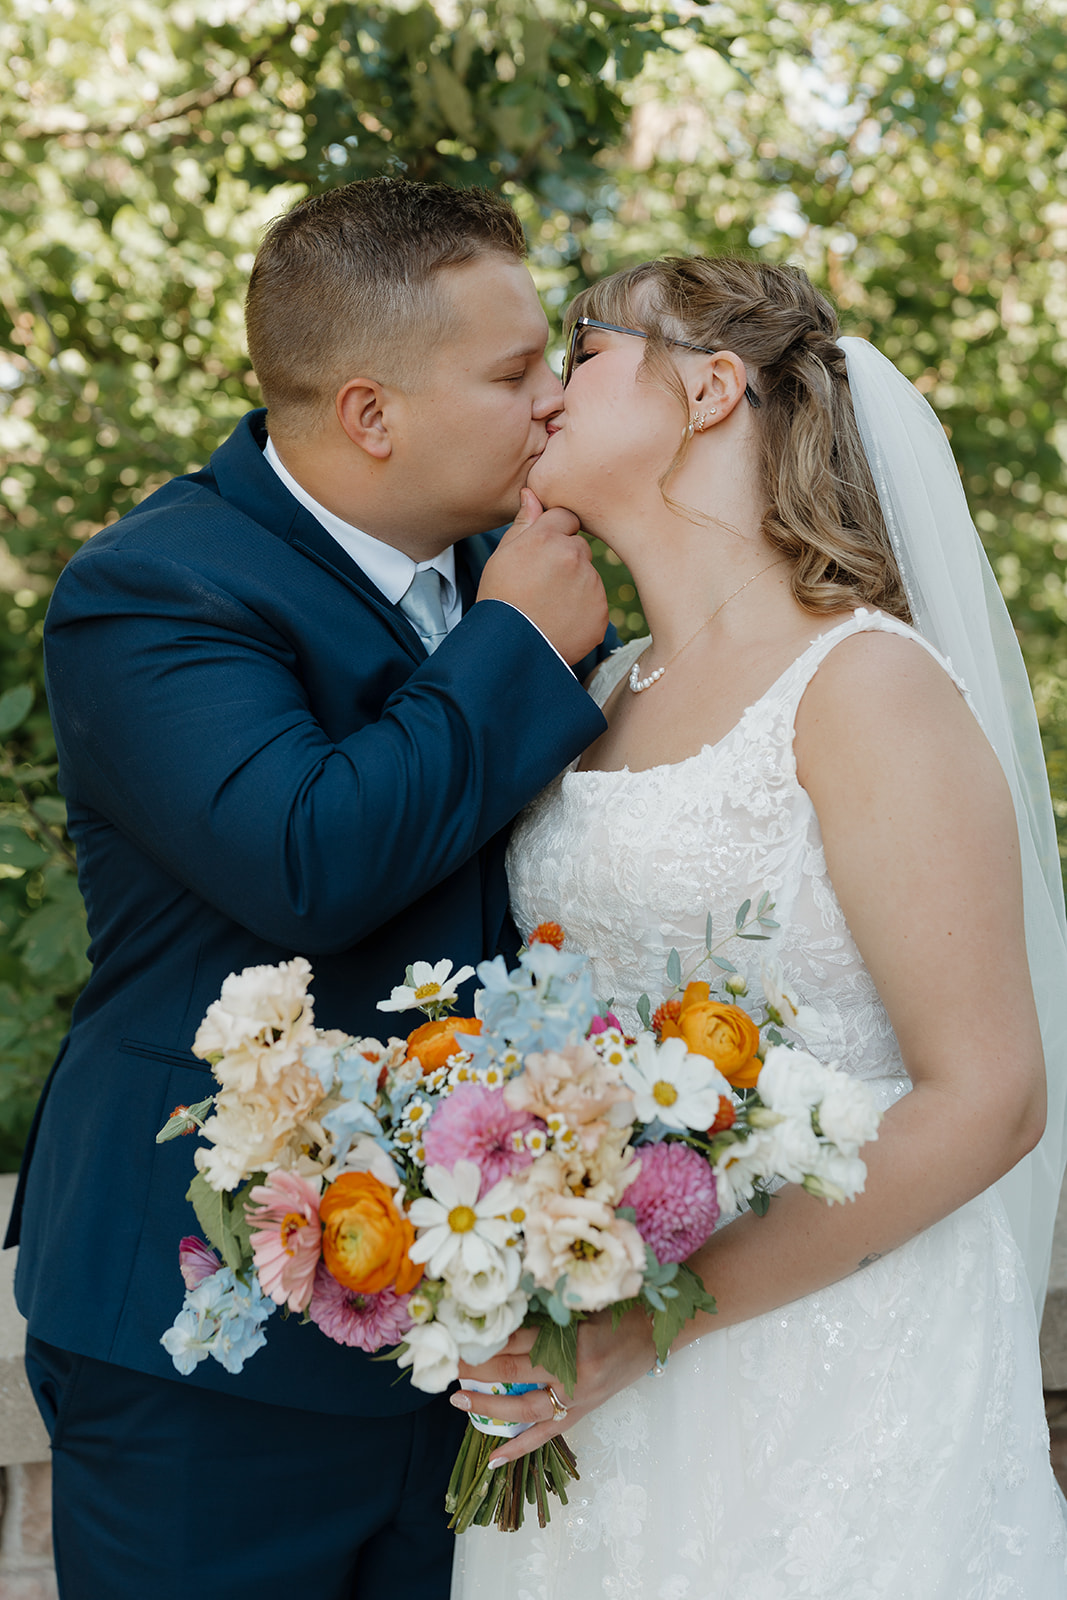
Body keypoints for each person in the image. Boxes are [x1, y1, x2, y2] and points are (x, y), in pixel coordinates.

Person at [2, 177, 613, 1600]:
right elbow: (306, 861)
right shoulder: (149, 592)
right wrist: (517, 641)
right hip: (204, 1344)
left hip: (473, 1336)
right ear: (370, 412)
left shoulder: (508, 570)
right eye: (517, 372)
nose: (557, 405)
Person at [450, 256, 1067, 1597]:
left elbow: (992, 1096)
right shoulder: (593, 691)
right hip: (591, 1367)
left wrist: (650, 1325)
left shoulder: (866, 685)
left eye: (586, 346)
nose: (548, 389)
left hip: (838, 1367)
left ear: (713, 387)